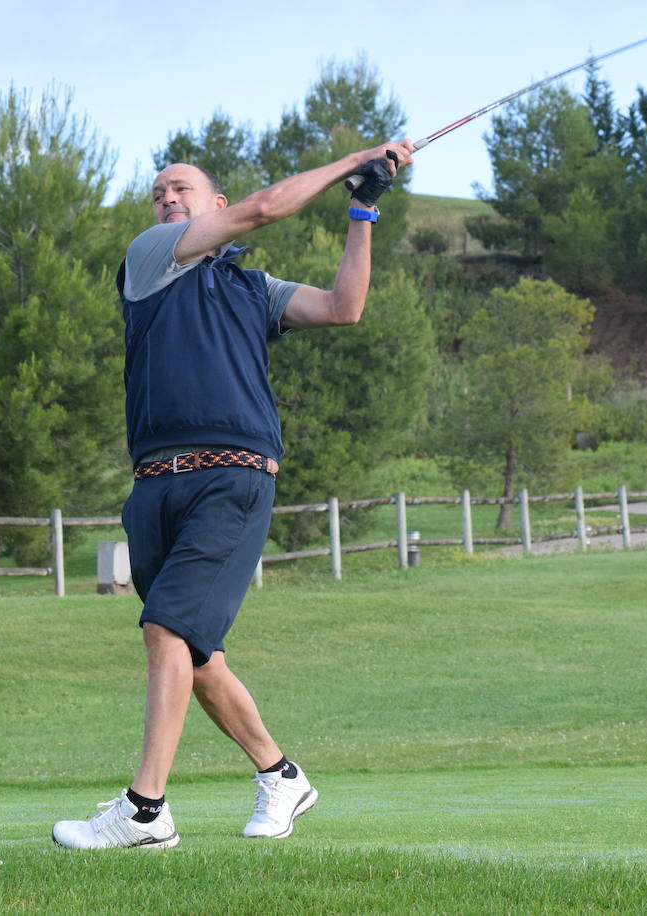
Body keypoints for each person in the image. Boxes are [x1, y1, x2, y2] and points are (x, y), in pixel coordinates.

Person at [52, 139, 414, 849]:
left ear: (211, 204)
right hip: (154, 486)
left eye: (181, 189)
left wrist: (363, 208)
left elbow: (345, 307)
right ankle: (281, 776)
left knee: (167, 631)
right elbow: (266, 207)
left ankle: (145, 812)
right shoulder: (152, 257)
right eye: (159, 191)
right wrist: (353, 162)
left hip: (234, 477)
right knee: (196, 653)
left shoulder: (256, 290)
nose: (167, 199)